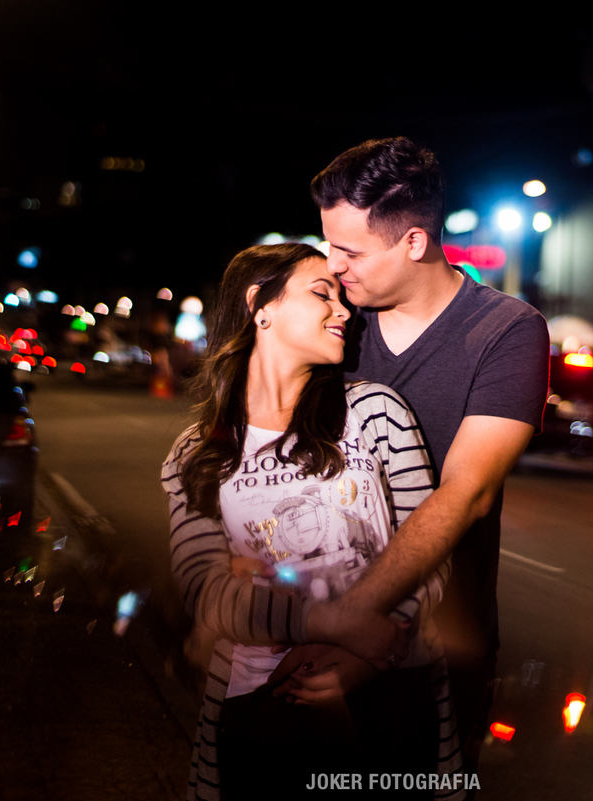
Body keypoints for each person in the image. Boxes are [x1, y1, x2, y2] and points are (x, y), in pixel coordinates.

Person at [272, 138, 550, 789]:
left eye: (350, 251)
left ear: (415, 243)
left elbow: (467, 492)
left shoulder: (505, 332)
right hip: (302, 644)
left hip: (437, 655)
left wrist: (352, 622)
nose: (333, 266)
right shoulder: (335, 325)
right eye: (327, 245)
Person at [162, 243, 463, 800]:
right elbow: (207, 592)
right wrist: (337, 625)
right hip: (261, 708)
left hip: (394, 691)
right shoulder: (197, 453)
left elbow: (431, 550)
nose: (344, 310)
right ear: (261, 306)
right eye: (322, 293)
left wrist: (364, 656)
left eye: (343, 297)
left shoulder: (376, 412)